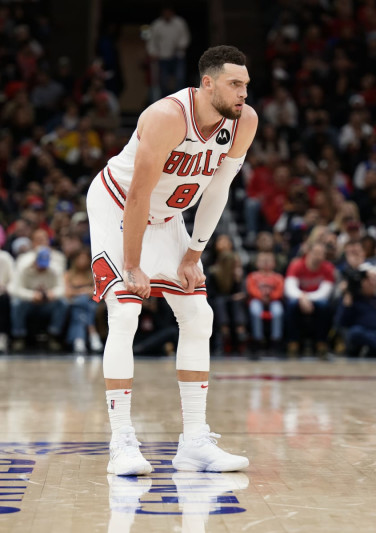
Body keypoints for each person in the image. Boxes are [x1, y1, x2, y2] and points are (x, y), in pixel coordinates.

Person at [85, 45, 257, 476]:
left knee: (199, 315)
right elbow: (139, 194)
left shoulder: (244, 123)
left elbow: (217, 190)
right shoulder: (166, 117)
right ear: (208, 83)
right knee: (124, 314)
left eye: (247, 85)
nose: (243, 94)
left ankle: (195, 441)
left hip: (167, 217)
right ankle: (121, 441)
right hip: (118, 206)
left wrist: (195, 252)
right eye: (235, 84)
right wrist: (133, 265)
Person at [8, 247, 68, 352]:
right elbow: (14, 289)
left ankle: (53, 335)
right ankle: (19, 337)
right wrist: (32, 295)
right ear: (35, 261)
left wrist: (52, 293)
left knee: (63, 303)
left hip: (47, 303)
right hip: (28, 303)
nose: (42, 267)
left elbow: (62, 289)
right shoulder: (24, 269)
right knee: (16, 304)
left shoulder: (55, 270)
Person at [284, 242, 335, 359]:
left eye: (321, 254)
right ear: (308, 252)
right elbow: (289, 289)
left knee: (324, 305)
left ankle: (321, 343)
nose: (318, 256)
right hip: (299, 299)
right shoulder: (296, 265)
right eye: (316, 253)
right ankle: (293, 343)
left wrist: (306, 298)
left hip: (315, 299)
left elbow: (325, 292)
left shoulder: (328, 268)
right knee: (291, 304)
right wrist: (302, 297)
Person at [147, 6, 191, 102]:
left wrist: (180, 46)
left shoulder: (180, 23)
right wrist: (153, 53)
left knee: (180, 79)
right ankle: (166, 102)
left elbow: (185, 37)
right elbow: (152, 41)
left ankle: (180, 102)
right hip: (163, 57)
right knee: (163, 82)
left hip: (177, 56)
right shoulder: (157, 25)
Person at [65, 248, 103, 355]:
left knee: (81, 309)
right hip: (73, 303)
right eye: (80, 258)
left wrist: (79, 292)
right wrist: (83, 291)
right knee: (82, 302)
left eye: (85, 259)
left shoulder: (93, 275)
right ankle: (92, 332)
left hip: (90, 304)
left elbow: (97, 291)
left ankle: (79, 339)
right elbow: (67, 293)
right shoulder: (68, 274)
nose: (82, 261)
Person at [245, 251, 285, 353]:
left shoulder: (278, 277)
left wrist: (271, 297)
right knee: (255, 311)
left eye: (269, 261)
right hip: (257, 300)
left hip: (273, 301)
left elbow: (280, 290)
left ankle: (275, 341)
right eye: (263, 261)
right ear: (257, 263)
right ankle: (257, 340)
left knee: (278, 311)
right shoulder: (253, 276)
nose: (266, 263)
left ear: (274, 263)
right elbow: (251, 289)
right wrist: (261, 296)